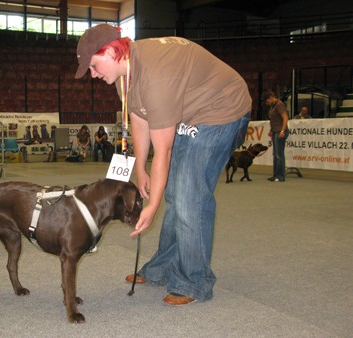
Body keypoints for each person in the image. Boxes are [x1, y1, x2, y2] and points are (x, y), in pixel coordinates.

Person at [75, 24, 251, 306]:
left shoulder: (156, 76)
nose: (93, 74)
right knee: (175, 192)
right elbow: (140, 120)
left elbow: (164, 150)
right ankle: (162, 267)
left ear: (111, 52)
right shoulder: (125, 76)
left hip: (221, 110)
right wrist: (141, 168)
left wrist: (152, 207)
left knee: (187, 194)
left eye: (93, 66)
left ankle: (195, 281)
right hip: (190, 111)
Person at [262, 90, 289, 182]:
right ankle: (275, 175)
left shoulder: (279, 104)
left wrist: (282, 130)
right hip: (275, 131)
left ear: (270, 97)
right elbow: (275, 120)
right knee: (276, 155)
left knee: (279, 155)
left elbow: (285, 117)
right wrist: (271, 130)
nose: (267, 103)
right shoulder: (273, 106)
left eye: (267, 101)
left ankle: (281, 176)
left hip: (280, 132)